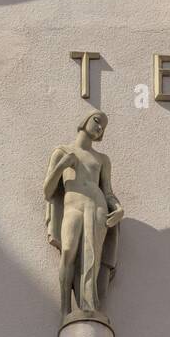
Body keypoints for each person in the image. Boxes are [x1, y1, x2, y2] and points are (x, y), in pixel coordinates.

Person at [43, 111, 123, 317]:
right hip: (73, 207)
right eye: (97, 121)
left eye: (103, 127)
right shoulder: (62, 152)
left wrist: (119, 210)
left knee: (92, 257)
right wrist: (62, 166)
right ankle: (65, 311)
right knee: (68, 251)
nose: (99, 128)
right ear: (85, 120)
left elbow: (108, 192)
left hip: (97, 207)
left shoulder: (102, 159)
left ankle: (88, 307)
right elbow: (48, 191)